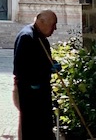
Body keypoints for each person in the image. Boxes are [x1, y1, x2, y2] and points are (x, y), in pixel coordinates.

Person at [13, 10, 58, 140]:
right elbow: (21, 67)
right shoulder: (27, 37)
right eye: (53, 24)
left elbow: (44, 60)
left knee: (44, 127)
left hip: (41, 91)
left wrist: (52, 65)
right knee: (32, 128)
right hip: (30, 93)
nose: (55, 28)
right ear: (41, 21)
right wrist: (35, 81)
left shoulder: (41, 37)